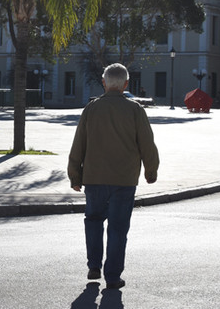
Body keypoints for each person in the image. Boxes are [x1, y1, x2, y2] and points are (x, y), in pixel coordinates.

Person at [67, 63, 160, 290]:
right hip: (124, 179)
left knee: (93, 221)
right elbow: (147, 144)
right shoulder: (135, 110)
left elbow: (79, 143)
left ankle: (94, 265)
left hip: (94, 177)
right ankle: (112, 276)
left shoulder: (91, 109)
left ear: (104, 83)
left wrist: (75, 176)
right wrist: (151, 171)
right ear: (126, 84)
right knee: (118, 228)